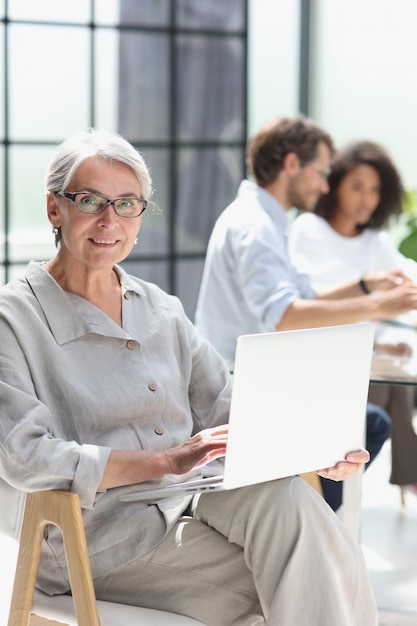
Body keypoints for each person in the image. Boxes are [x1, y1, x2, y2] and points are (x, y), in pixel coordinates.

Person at [0, 128, 378, 625]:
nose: (109, 220)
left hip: (195, 499)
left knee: (299, 508)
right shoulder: (15, 318)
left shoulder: (161, 308)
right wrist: (164, 460)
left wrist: (315, 447)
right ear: (55, 208)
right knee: (305, 582)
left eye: (128, 203)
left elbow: (229, 407)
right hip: (98, 533)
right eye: (90, 201)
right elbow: (24, 456)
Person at [194, 116, 417, 511]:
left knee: (368, 419)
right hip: (243, 390)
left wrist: (368, 284)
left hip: (258, 379)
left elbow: (307, 295)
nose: (325, 185)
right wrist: (378, 306)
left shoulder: (267, 220)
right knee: (367, 425)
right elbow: (284, 315)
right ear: (293, 165)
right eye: (322, 172)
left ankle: (310, 515)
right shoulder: (256, 227)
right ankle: (309, 518)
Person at [288, 139, 417, 498]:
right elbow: (311, 303)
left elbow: (408, 279)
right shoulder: (309, 229)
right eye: (357, 186)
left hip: (356, 353)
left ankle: (337, 491)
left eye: (375, 190)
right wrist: (377, 303)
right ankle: (389, 479)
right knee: (394, 386)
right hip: (315, 358)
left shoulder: (373, 241)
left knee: (395, 373)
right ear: (335, 184)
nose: (366, 199)